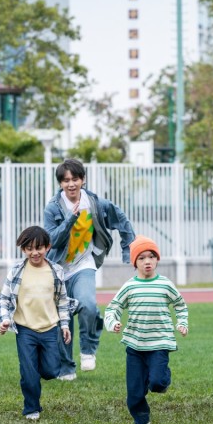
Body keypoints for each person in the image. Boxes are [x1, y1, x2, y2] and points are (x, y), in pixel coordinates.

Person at [44, 158, 136, 380]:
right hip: (58, 269)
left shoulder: (96, 203)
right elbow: (52, 241)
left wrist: (128, 250)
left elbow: (122, 221)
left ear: (83, 180)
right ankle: (66, 367)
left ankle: (87, 349)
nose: (71, 184)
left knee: (87, 304)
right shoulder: (52, 208)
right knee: (62, 318)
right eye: (66, 180)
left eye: (75, 179)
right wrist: (70, 219)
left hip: (84, 264)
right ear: (60, 184)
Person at [103, 236, 188, 424]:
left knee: (157, 382)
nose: (147, 261)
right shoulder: (129, 286)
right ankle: (142, 423)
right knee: (134, 391)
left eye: (151, 256)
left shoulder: (165, 284)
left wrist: (182, 323)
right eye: (141, 258)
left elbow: (180, 305)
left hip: (159, 343)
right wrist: (113, 323)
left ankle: (163, 378)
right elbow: (113, 308)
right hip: (135, 345)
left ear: (157, 259)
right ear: (135, 262)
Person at [0, 226, 73, 421]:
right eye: (29, 248)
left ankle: (34, 368)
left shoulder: (56, 271)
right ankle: (31, 407)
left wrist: (65, 325)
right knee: (29, 372)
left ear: (47, 247)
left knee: (51, 371)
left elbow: (63, 301)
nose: (34, 253)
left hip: (50, 329)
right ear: (23, 249)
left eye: (39, 248)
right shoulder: (17, 271)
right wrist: (5, 319)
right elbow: (3, 299)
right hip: (25, 330)